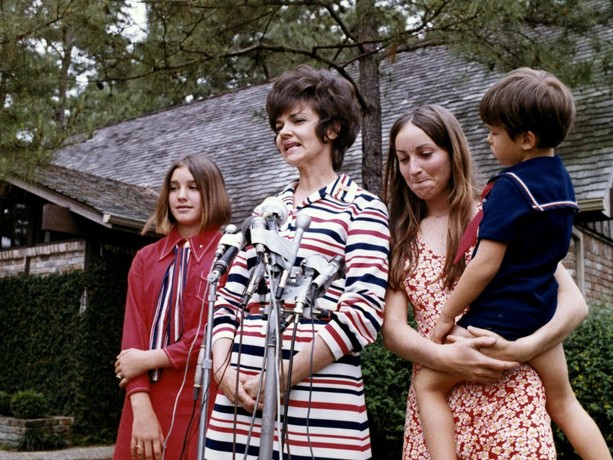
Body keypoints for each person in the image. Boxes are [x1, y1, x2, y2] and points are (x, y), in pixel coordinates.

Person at [413, 69, 611, 460]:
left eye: (494, 132)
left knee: (429, 385)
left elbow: (485, 265)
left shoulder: (510, 188)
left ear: (525, 139)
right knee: (565, 403)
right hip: (541, 313)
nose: (487, 140)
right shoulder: (562, 182)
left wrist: (446, 316)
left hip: (497, 319)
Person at [204, 64, 390, 459]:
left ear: (332, 128)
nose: (283, 132)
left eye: (297, 120)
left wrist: (281, 376)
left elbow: (363, 314)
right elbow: (227, 299)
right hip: (237, 412)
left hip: (323, 414)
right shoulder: (265, 211)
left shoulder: (362, 208)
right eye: (278, 125)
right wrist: (222, 370)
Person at [113, 154, 232, 460]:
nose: (181, 196)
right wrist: (140, 406)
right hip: (146, 399)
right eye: (174, 187)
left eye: (193, 187)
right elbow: (132, 341)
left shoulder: (233, 255)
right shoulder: (145, 260)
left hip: (207, 395)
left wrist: (156, 356)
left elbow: (220, 327)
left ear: (212, 192)